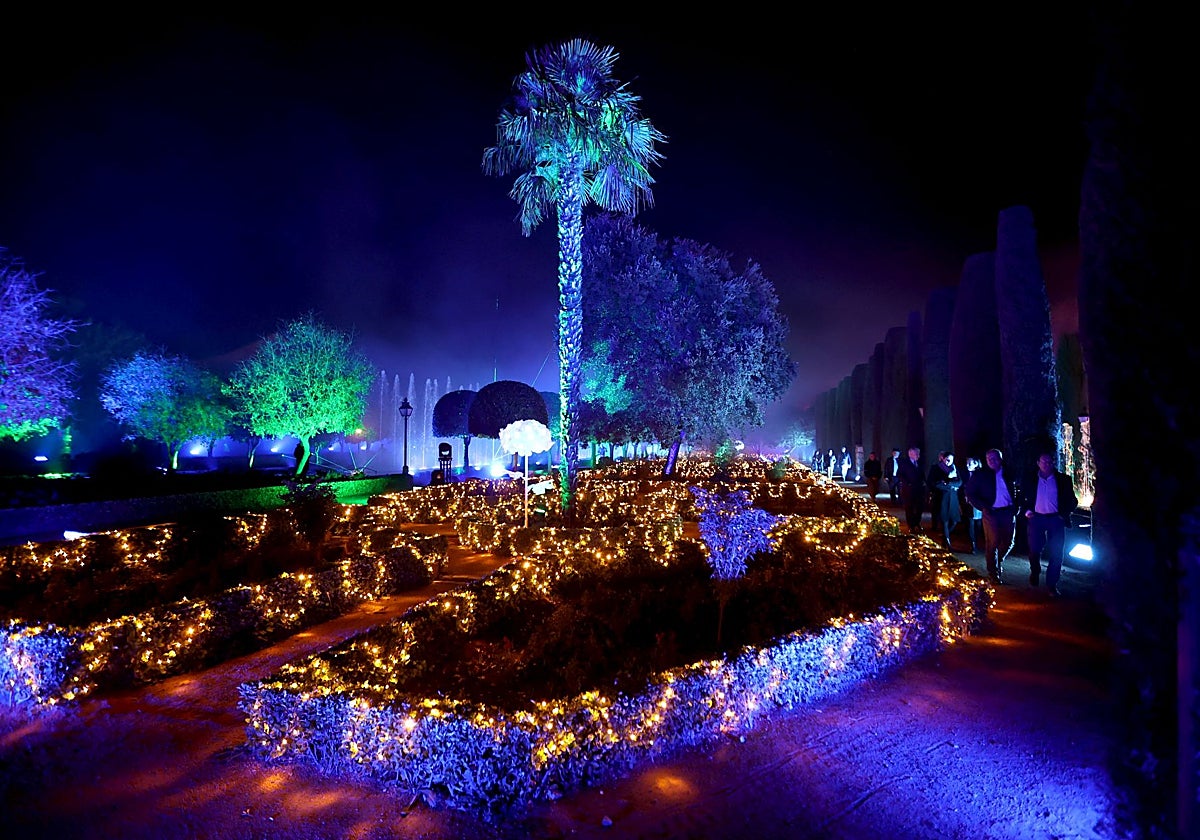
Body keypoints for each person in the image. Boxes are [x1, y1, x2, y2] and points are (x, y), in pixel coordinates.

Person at [1018, 450, 1079, 598]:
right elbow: (1020, 496)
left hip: (1055, 519)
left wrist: (1063, 514)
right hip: (1036, 518)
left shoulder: (1063, 480)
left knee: (1057, 552)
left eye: (1049, 462)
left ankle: (1052, 584)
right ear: (1038, 463)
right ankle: (1035, 570)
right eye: (1043, 461)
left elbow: (1073, 500)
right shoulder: (1031, 479)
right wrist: (1026, 511)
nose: (1046, 464)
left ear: (1053, 463)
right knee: (1034, 549)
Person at [965, 448, 1018, 585]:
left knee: (1009, 542)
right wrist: (983, 507)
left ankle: (998, 561)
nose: (992, 461)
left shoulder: (1009, 472)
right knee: (992, 542)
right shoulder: (980, 475)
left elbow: (1019, 489)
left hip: (1008, 511)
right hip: (991, 512)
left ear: (1000, 459)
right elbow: (970, 492)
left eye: (994, 458)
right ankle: (993, 573)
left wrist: (1017, 506)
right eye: (989, 459)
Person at [928, 451, 963, 549]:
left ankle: (944, 537)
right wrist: (948, 480)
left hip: (953, 498)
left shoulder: (954, 468)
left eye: (951, 460)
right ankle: (947, 543)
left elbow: (959, 482)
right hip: (942, 498)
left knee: (954, 521)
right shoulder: (936, 468)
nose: (949, 462)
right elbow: (934, 483)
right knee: (944, 520)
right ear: (942, 459)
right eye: (947, 460)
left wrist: (947, 483)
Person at [896, 446, 927, 535]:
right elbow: (899, 475)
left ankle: (917, 522)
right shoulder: (904, 463)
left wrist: (924, 482)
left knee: (919, 508)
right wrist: (908, 483)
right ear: (910, 454)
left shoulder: (920, 463)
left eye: (918, 454)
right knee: (909, 508)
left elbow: (922, 474)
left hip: (919, 489)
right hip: (908, 489)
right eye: (916, 454)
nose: (918, 456)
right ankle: (911, 526)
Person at [963, 456, 984, 553]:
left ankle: (977, 542)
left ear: (976, 464)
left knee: (978, 523)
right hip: (968, 502)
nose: (967, 465)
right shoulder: (965, 474)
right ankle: (973, 544)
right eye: (967, 463)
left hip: (978, 502)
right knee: (970, 522)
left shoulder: (981, 475)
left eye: (970, 463)